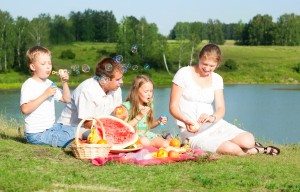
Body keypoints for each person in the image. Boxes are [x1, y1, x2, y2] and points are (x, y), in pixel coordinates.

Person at [169, 43, 280, 156]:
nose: (207, 68)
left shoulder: (217, 79)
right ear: (199, 58)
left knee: (248, 141)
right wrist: (188, 121)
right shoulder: (183, 73)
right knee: (232, 149)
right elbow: (173, 107)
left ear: (218, 64)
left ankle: (250, 146)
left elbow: (221, 108)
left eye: (211, 66)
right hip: (192, 132)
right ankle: (259, 150)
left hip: (214, 125)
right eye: (204, 64)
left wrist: (212, 118)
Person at [20, 46, 75, 148]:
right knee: (70, 138)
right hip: (36, 134)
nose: (48, 66)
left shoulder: (49, 83)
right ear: (33, 67)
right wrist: (45, 95)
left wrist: (64, 82)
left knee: (75, 130)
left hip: (50, 128)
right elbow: (25, 109)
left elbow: (66, 99)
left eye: (49, 63)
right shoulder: (29, 84)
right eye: (43, 64)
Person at [58, 57, 123, 128]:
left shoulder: (116, 89)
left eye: (121, 78)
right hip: (69, 128)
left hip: (94, 128)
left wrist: (121, 112)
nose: (121, 82)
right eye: (118, 79)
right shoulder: (87, 90)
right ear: (105, 79)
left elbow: (118, 110)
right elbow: (87, 124)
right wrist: (110, 128)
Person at [114, 75, 169, 148]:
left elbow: (148, 126)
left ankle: (152, 146)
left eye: (151, 91)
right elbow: (124, 128)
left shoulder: (148, 105)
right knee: (144, 141)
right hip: (132, 136)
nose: (149, 94)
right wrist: (139, 116)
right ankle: (152, 147)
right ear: (136, 91)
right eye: (146, 91)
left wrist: (158, 121)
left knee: (165, 144)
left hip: (146, 135)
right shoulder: (127, 106)